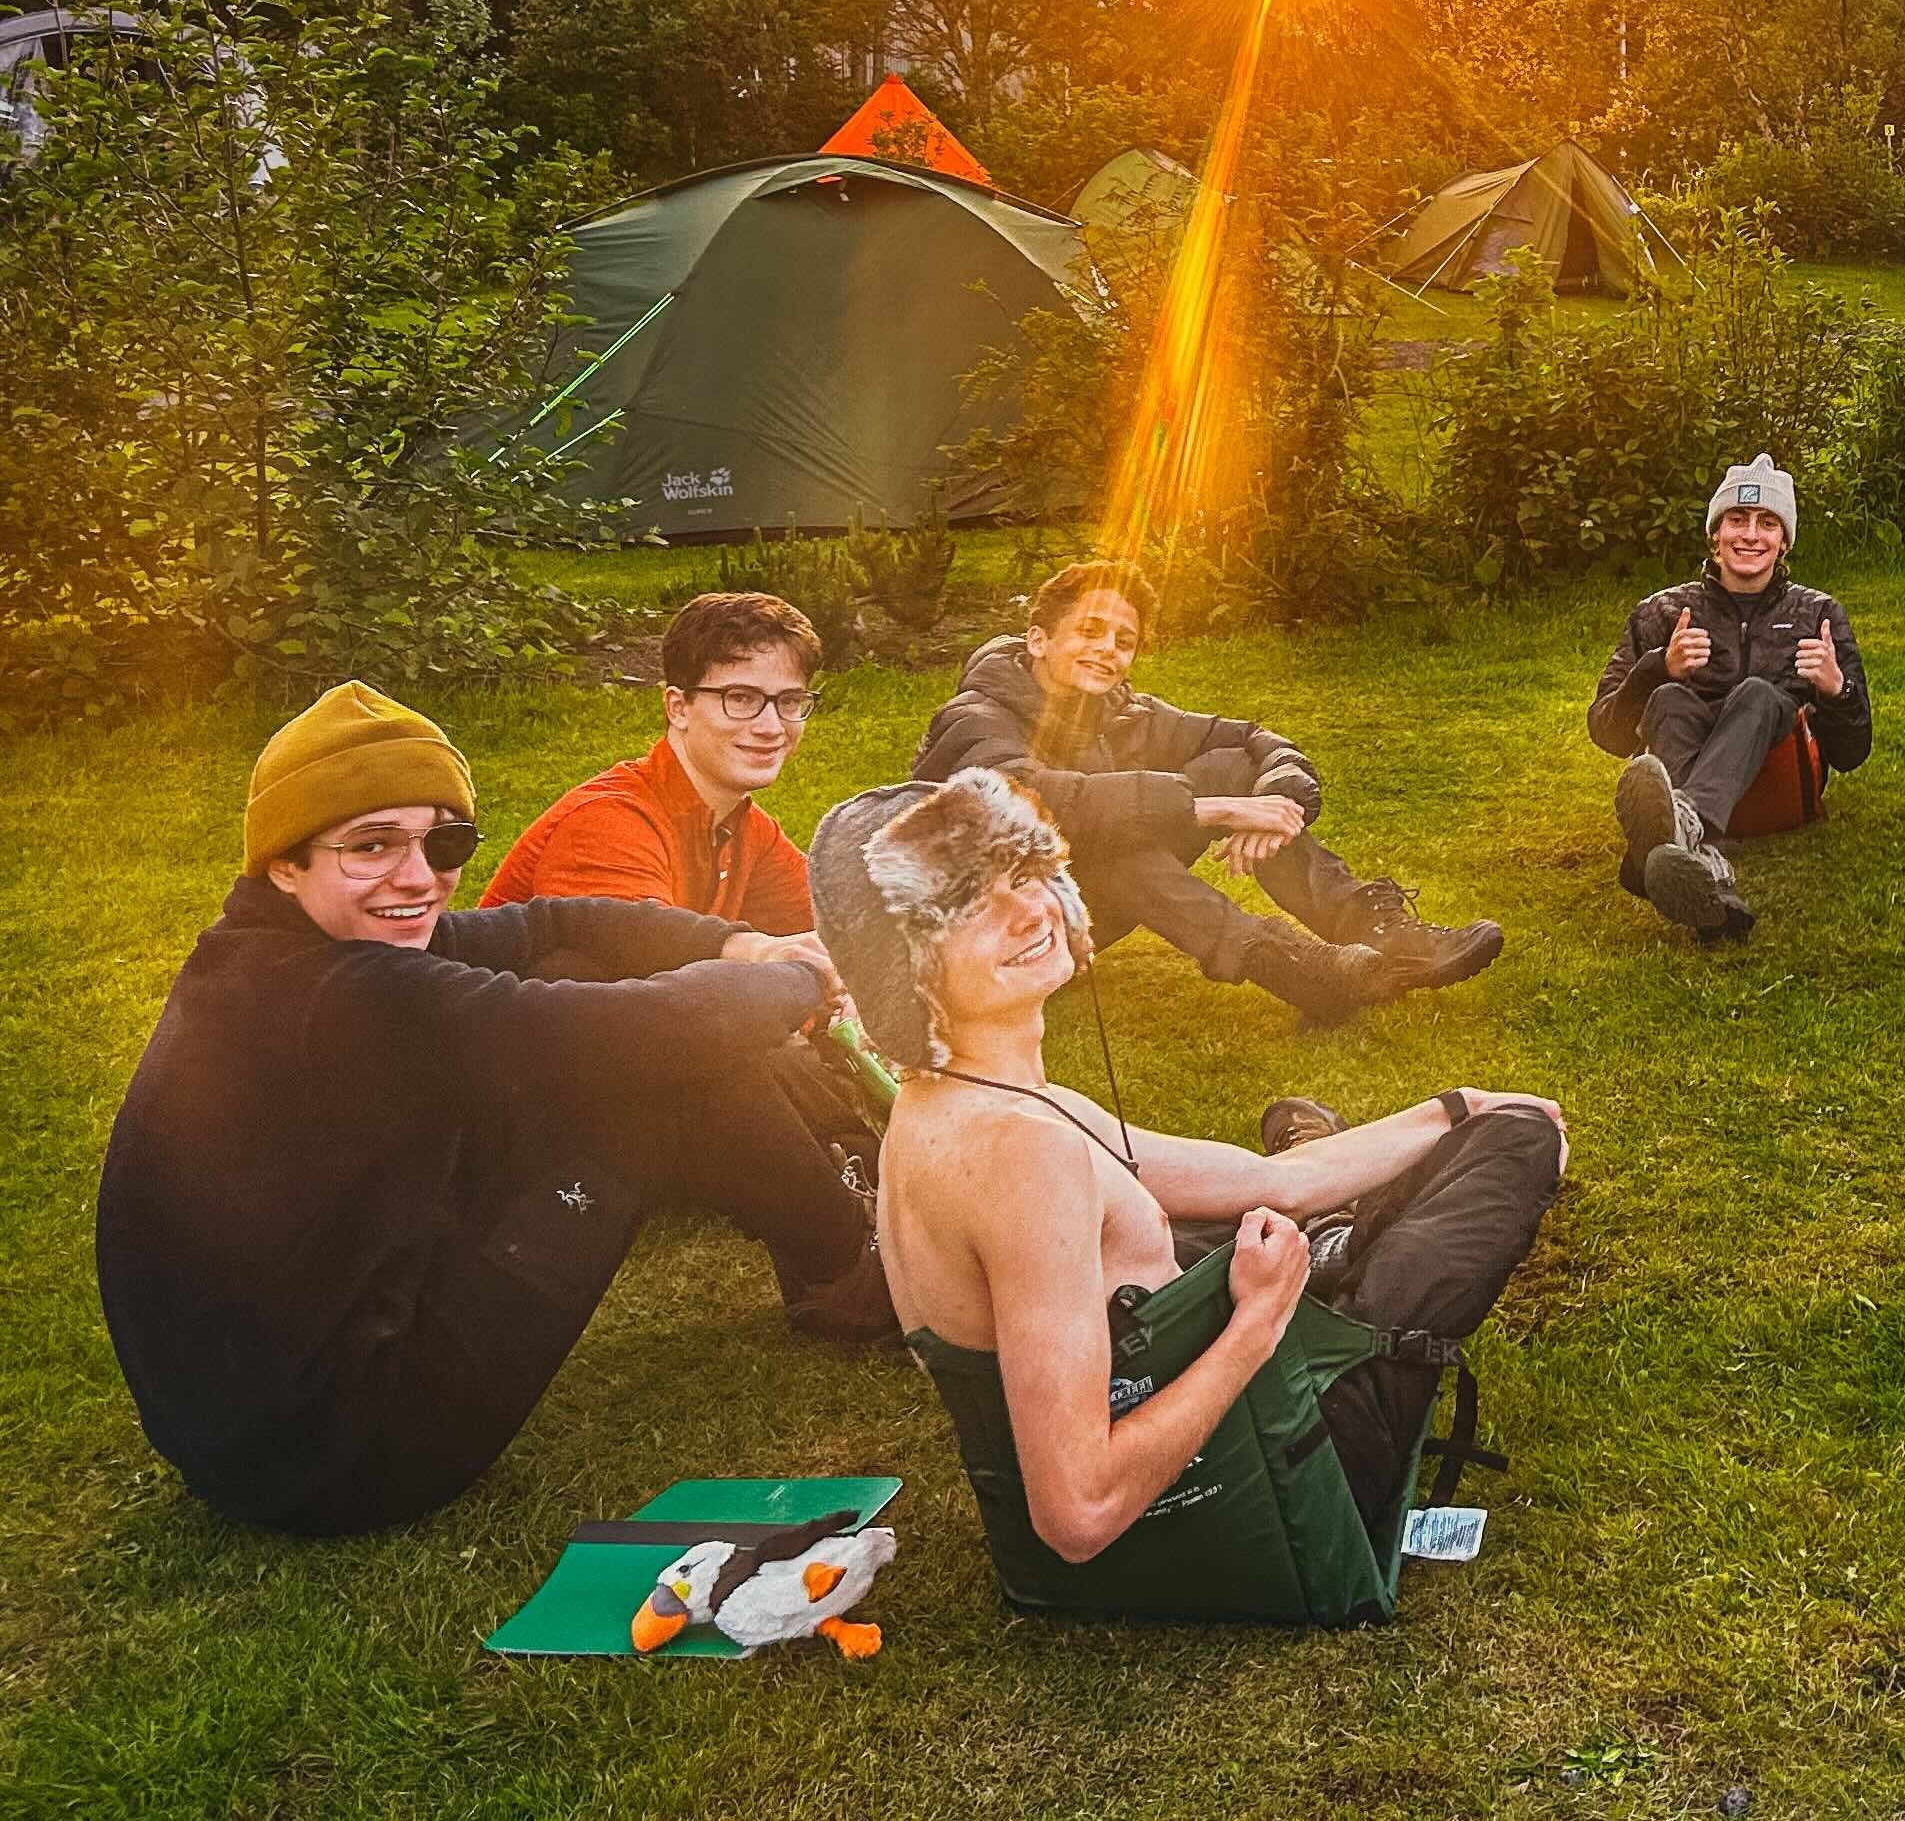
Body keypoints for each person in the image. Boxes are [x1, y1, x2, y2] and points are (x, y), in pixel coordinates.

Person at [95, 683, 890, 1537]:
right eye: (371, 846)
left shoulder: (280, 948)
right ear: (285, 862)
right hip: (347, 1452)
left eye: (443, 841)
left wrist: (729, 941)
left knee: (579, 961)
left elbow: (550, 921)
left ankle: (842, 1250)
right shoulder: (338, 993)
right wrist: (796, 977)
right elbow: (645, 1031)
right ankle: (859, 1274)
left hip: (250, 1422)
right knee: (658, 1079)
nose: (417, 877)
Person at [815, 771, 1563, 1599]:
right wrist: (1259, 1316)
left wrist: (1452, 1106)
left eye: (1022, 875)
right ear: (903, 966)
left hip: (1190, 1426)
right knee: (1521, 1143)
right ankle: (1333, 1248)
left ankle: (1333, 1232)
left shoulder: (963, 1105)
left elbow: (1269, 1179)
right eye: (968, 906)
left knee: (1292, 1181)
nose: (1028, 912)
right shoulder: (1021, 1158)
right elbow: (1078, 1511)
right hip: (1250, 1494)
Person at [916, 558, 1502, 1026]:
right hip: (984, 937)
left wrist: (1274, 801)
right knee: (1111, 849)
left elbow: (1252, 740)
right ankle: (1303, 972)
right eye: (1090, 631)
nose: (1107, 649)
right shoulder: (974, 717)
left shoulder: (1120, 711)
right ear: (1039, 640)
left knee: (1225, 765)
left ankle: (1377, 933)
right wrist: (1213, 809)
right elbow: (1032, 807)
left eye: (1124, 640)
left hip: (1068, 918)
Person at [482, 590, 877, 1164]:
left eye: (790, 701)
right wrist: (800, 1006)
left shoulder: (744, 826)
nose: (771, 726)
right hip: (529, 1091)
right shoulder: (610, 821)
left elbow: (836, 934)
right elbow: (655, 999)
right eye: (741, 699)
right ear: (678, 706)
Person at [1590, 455, 1875, 944]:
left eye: (1767, 523)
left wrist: (1836, 690)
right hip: (1688, 753)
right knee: (1671, 699)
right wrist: (1657, 667)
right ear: (1714, 536)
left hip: (1780, 791)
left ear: (1783, 541)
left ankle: (1677, 824)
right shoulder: (1661, 611)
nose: (1750, 535)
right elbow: (1607, 732)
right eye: (1736, 520)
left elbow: (1853, 753)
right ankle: (1700, 865)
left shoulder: (1818, 613)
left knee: (1757, 695)